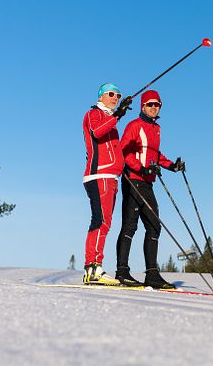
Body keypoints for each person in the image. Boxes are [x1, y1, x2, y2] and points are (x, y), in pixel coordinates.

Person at [115, 89, 185, 289]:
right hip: (133, 179)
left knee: (154, 226)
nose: (154, 108)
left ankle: (152, 274)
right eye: (151, 104)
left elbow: (155, 154)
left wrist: (172, 166)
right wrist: (141, 167)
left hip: (147, 182)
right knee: (130, 225)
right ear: (143, 106)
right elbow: (123, 151)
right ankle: (122, 271)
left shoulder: (156, 128)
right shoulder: (134, 126)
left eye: (157, 105)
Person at [82, 83, 132, 284]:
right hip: (99, 175)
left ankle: (94, 267)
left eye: (118, 95)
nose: (115, 97)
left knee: (105, 222)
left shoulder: (111, 120)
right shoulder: (93, 114)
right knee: (100, 221)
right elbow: (97, 132)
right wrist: (117, 115)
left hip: (111, 176)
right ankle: (92, 268)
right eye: (111, 94)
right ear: (101, 96)